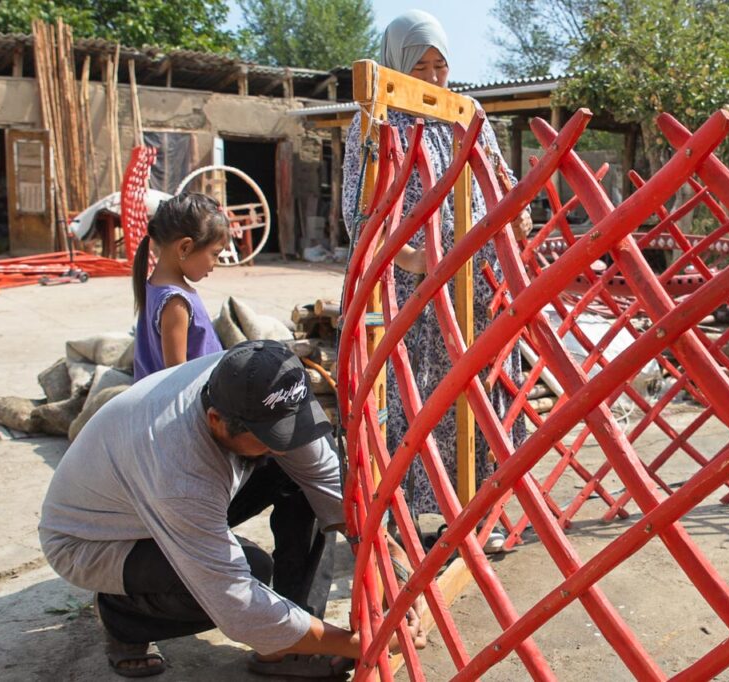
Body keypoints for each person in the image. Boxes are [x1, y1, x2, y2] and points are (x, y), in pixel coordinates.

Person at [40, 340, 423, 678]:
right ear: (216, 421)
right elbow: (235, 602)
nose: (283, 446)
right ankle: (122, 617)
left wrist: (388, 557)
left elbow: (326, 484)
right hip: (94, 540)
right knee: (249, 570)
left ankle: (292, 637)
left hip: (149, 498)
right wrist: (354, 644)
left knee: (296, 476)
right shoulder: (180, 468)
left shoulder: (266, 379)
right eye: (271, 438)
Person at [342, 10, 531, 551]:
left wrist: (513, 210)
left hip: (472, 283)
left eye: (439, 65)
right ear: (397, 63)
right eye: (418, 65)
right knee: (408, 400)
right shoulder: (375, 121)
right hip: (406, 289)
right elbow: (361, 211)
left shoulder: (468, 115)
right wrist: (413, 261)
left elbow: (498, 178)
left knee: (476, 398)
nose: (430, 77)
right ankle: (395, 525)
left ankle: (472, 516)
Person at [132, 192, 227, 381]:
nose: (214, 264)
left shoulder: (154, 286)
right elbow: (178, 379)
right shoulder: (176, 302)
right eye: (215, 254)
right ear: (185, 248)